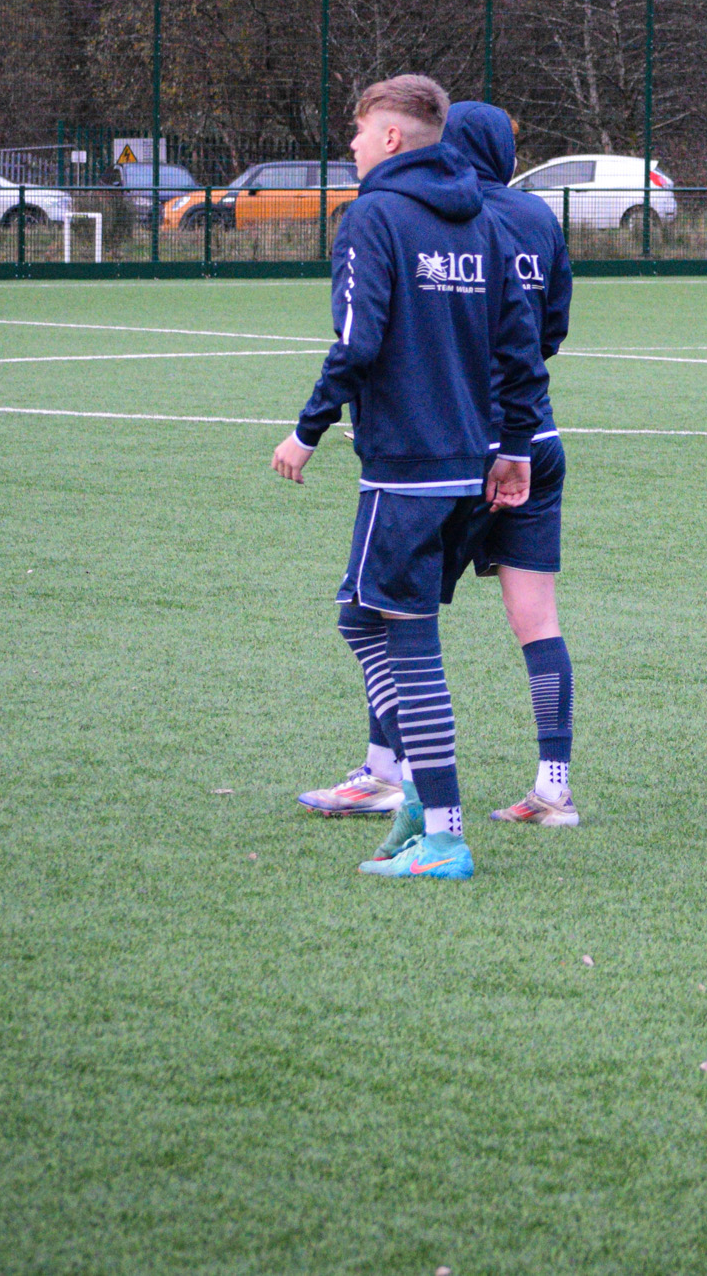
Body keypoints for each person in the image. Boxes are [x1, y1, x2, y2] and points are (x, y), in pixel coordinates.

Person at [270, 74, 547, 882]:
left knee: (407, 640)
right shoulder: (487, 222)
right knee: (361, 615)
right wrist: (515, 447)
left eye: (356, 131)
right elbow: (522, 352)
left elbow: (358, 340)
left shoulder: (374, 217)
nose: (350, 145)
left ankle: (446, 834)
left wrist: (306, 429)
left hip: (408, 468)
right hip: (464, 465)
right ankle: (425, 799)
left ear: (392, 137)